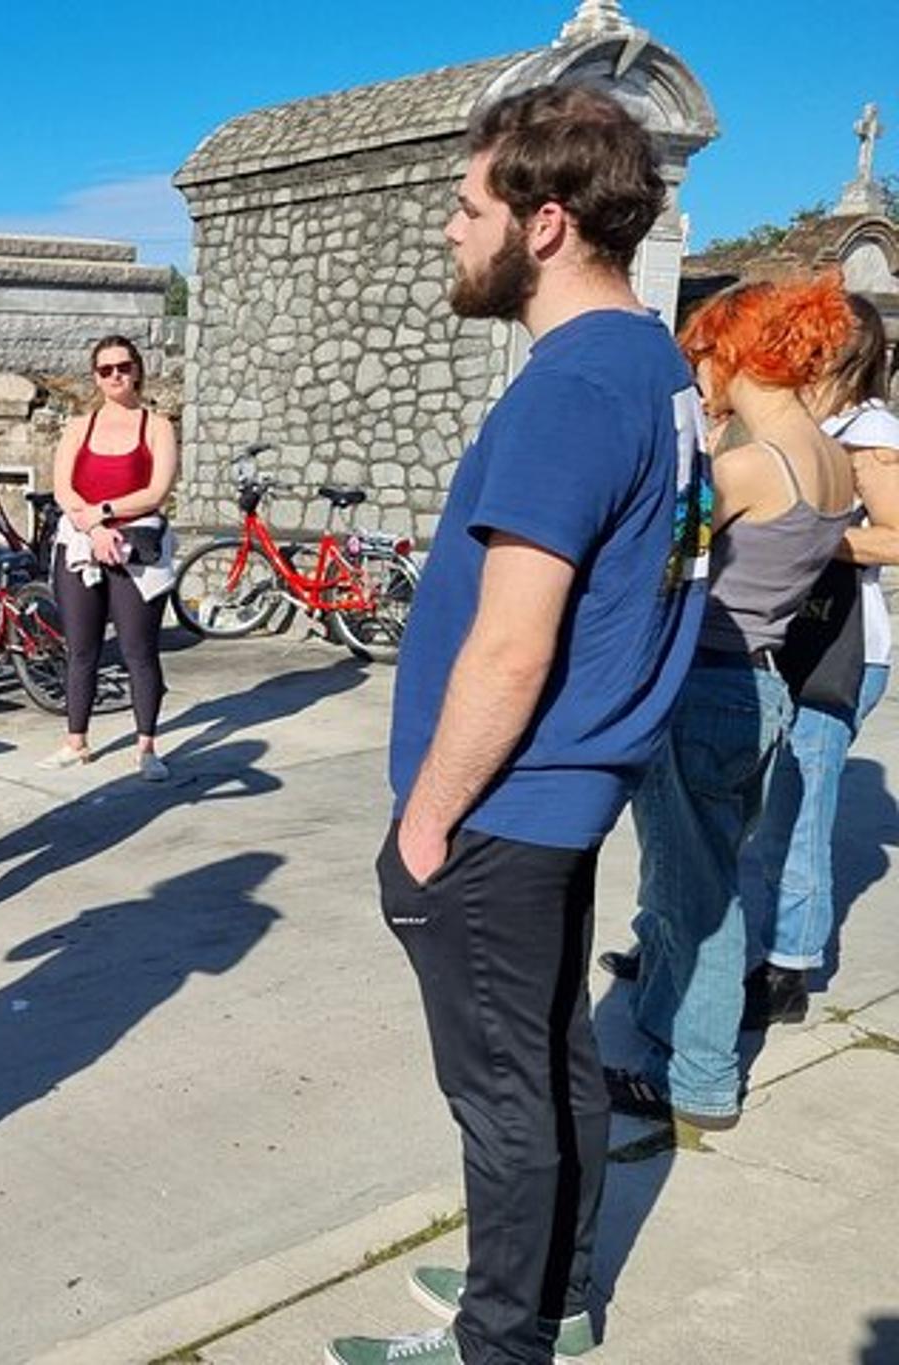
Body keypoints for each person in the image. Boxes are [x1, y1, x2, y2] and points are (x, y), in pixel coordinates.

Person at [329, 87, 710, 1365]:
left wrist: (424, 821)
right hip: (566, 794)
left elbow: (510, 641)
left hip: (502, 805)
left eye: (465, 206)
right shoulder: (652, 362)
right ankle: (551, 1292)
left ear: (543, 225)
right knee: (551, 1064)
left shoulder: (567, 391)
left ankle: (502, 1344)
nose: (449, 230)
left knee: (500, 1098)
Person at [601, 276, 858, 1132]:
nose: (697, 373)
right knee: (698, 875)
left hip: (704, 683)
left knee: (695, 894)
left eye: (702, 356)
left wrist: (698, 450)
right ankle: (665, 1029)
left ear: (737, 353)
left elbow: (665, 556)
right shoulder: (829, 460)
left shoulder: (749, 465)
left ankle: (696, 1076)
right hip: (761, 681)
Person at [740, 294, 899, 1024]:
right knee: (756, 805)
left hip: (840, 645)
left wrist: (809, 534)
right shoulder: (810, 423)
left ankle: (789, 968)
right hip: (787, 634)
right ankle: (717, 942)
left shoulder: (871, 431)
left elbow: (896, 536)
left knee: (798, 810)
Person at [41, 335, 178, 779]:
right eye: (105, 370)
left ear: (136, 369)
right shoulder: (80, 426)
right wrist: (95, 529)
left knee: (139, 650)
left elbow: (158, 492)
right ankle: (75, 741)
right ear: (95, 377)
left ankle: (147, 748)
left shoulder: (156, 425)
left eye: (123, 367)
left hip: (136, 546)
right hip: (83, 544)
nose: (115, 375)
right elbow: (64, 489)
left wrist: (105, 512)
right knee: (81, 649)